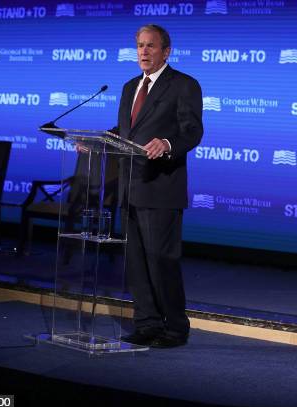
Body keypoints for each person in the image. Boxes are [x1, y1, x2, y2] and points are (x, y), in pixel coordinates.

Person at [115, 24, 203, 348]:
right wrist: (97, 140)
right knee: (136, 263)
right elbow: (126, 130)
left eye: (150, 46)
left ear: (166, 51)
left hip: (162, 187)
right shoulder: (128, 88)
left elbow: (192, 131)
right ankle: (147, 323)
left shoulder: (183, 85)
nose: (143, 52)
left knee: (161, 261)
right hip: (131, 187)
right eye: (139, 45)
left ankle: (176, 328)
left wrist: (166, 143)